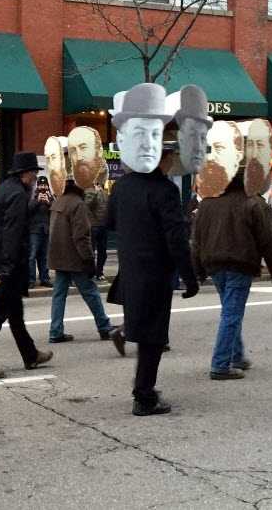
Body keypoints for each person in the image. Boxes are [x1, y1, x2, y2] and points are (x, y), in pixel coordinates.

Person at [105, 83, 197, 416]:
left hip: (132, 270)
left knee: (145, 333)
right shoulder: (164, 191)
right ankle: (143, 396)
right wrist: (190, 276)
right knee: (153, 338)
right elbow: (176, 238)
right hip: (156, 274)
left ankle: (144, 389)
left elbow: (109, 223)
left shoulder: (122, 186)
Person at [0, 152, 53, 379]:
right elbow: (11, 232)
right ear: (24, 173)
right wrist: (7, 266)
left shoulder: (6, 189)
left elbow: (10, 221)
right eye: (34, 172)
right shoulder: (17, 194)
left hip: (0, 261)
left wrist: (34, 207)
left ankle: (30, 354)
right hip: (6, 265)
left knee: (15, 313)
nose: (36, 177)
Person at [194, 172, 272, 379]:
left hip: (214, 263)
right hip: (240, 262)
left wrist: (198, 269)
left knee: (230, 310)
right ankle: (220, 364)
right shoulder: (254, 202)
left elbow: (196, 239)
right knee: (232, 314)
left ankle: (236, 355)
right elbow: (271, 240)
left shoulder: (208, 203)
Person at [47, 178, 114, 343]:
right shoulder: (78, 204)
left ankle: (55, 331)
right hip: (75, 257)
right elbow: (81, 236)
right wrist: (89, 259)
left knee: (59, 295)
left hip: (58, 255)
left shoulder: (59, 202)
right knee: (90, 292)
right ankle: (104, 326)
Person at [27, 176, 53, 288]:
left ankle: (44, 278)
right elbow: (28, 209)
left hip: (46, 230)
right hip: (34, 230)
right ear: (37, 186)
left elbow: (55, 211)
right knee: (32, 256)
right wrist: (37, 201)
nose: (43, 187)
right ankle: (31, 279)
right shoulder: (33, 196)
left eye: (45, 185)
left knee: (44, 256)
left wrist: (48, 202)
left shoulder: (51, 197)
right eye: (41, 185)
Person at [85, 184, 109, 280]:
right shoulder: (89, 191)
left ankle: (100, 272)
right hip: (93, 225)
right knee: (91, 251)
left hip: (103, 225)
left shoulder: (104, 192)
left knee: (103, 251)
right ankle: (91, 271)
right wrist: (95, 193)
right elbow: (87, 204)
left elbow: (107, 207)